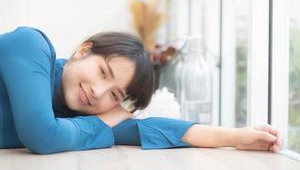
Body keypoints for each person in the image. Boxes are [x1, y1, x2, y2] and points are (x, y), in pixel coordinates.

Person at [0, 27, 281, 155]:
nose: (98, 92)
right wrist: (112, 116)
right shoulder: (31, 45)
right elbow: (41, 136)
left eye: (114, 96)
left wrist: (235, 136)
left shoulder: (74, 116)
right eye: (102, 72)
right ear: (84, 50)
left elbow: (147, 129)